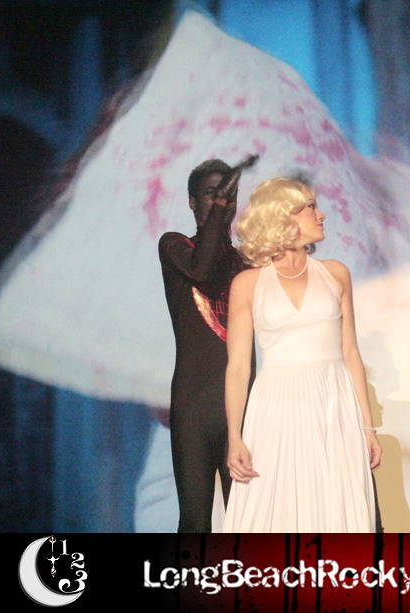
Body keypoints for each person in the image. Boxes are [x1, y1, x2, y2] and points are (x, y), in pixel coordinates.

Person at [221, 177, 380, 532]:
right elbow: (238, 367)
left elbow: (350, 352)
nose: (321, 214)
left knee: (336, 508)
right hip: (276, 408)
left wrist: (367, 427)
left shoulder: (336, 273)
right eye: (311, 206)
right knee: (275, 510)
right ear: (283, 216)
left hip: (332, 405)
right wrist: (235, 436)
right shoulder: (247, 284)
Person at [159, 158, 250, 532]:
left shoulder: (247, 263)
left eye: (226, 194)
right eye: (211, 193)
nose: (220, 201)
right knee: (196, 521)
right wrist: (220, 212)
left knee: (245, 520)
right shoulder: (174, 246)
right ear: (192, 202)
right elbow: (203, 270)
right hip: (193, 405)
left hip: (241, 406)